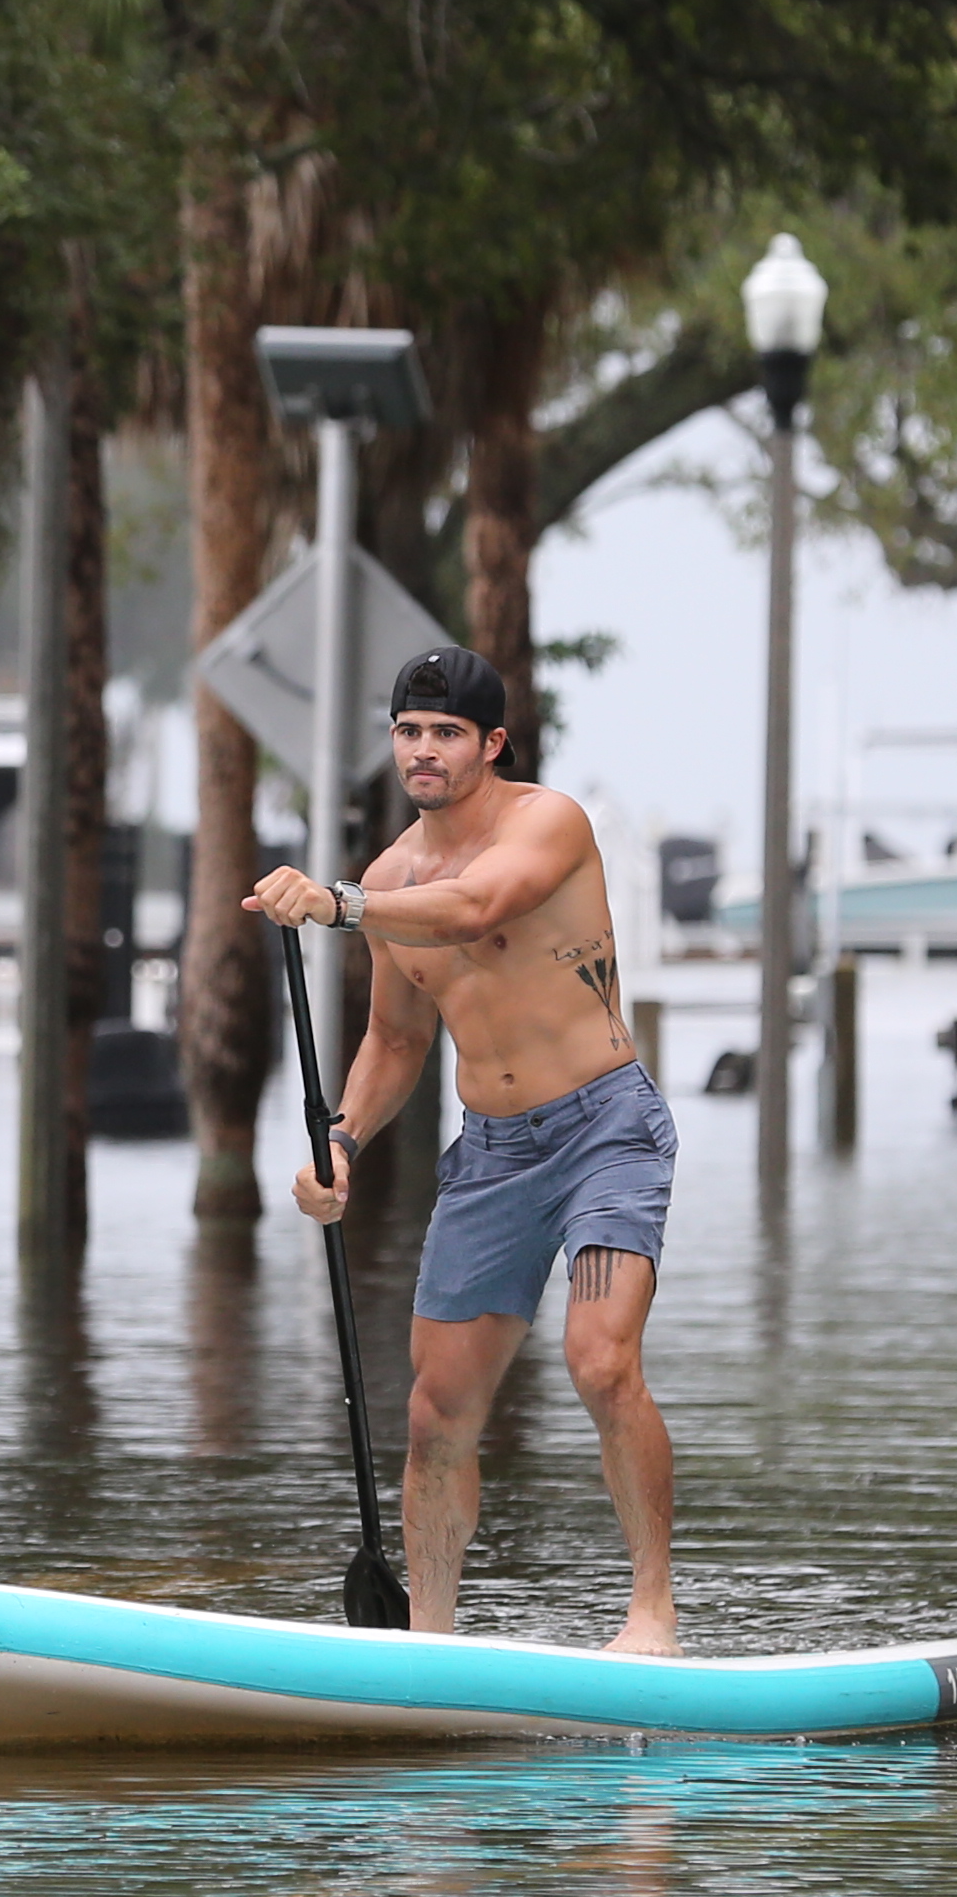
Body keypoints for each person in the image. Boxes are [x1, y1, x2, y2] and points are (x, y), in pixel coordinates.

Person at [242, 643, 681, 1651]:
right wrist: (341, 1140)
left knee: (600, 1363)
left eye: (446, 733)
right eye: (408, 732)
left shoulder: (550, 824)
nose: (424, 751)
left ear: (492, 744)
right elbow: (396, 1040)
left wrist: (341, 906)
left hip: (606, 1129)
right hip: (490, 1155)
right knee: (438, 1410)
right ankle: (430, 1640)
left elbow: (478, 907)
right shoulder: (393, 876)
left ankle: (652, 1609)